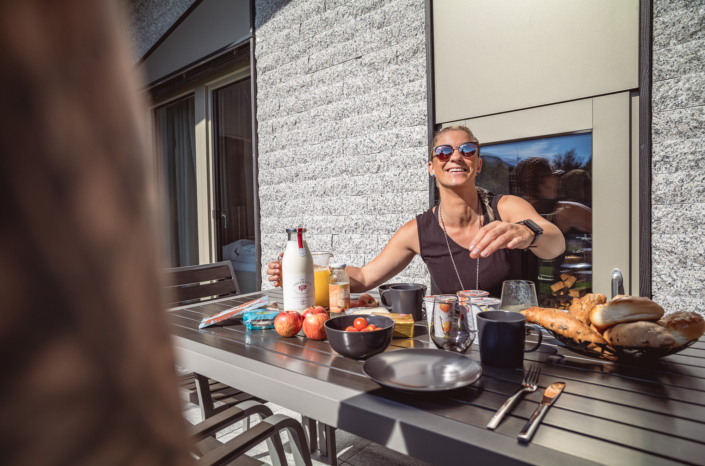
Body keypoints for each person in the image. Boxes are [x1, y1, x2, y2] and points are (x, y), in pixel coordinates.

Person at [267, 126, 565, 297]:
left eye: (467, 150)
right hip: (453, 343)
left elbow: (554, 242)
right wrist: (305, 272)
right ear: (431, 167)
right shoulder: (418, 231)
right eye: (444, 152)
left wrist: (527, 232)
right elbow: (365, 276)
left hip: (516, 341)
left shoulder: (506, 208)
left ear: (478, 163)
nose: (456, 157)